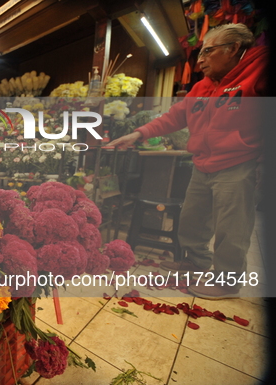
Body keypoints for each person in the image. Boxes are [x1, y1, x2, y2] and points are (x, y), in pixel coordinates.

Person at [108, 23, 267, 299]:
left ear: (233, 49)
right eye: (200, 53)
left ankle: (227, 282)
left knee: (232, 227)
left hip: (239, 164)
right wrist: (137, 134)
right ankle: (195, 262)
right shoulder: (202, 87)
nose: (201, 59)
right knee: (192, 218)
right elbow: (174, 117)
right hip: (203, 164)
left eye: (208, 51)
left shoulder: (259, 71)